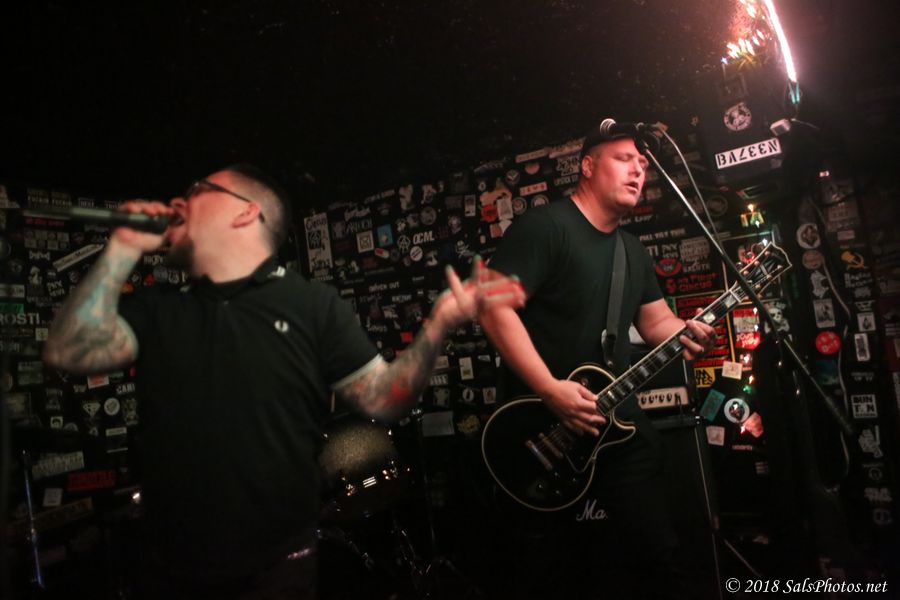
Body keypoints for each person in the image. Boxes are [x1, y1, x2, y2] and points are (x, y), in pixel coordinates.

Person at [42, 164, 525, 599]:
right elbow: (67, 350)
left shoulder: (312, 306)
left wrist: (439, 323)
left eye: (197, 190)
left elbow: (385, 400)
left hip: (277, 569)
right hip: (167, 567)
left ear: (245, 212)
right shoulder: (158, 308)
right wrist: (123, 246)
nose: (177, 202)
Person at [480, 124, 717, 599]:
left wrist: (689, 333)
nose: (638, 170)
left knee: (656, 554)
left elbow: (656, 323)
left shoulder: (631, 251)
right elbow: (492, 307)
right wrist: (549, 388)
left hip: (616, 426)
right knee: (554, 570)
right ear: (588, 166)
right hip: (543, 427)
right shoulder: (546, 228)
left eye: (643, 164)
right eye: (624, 158)